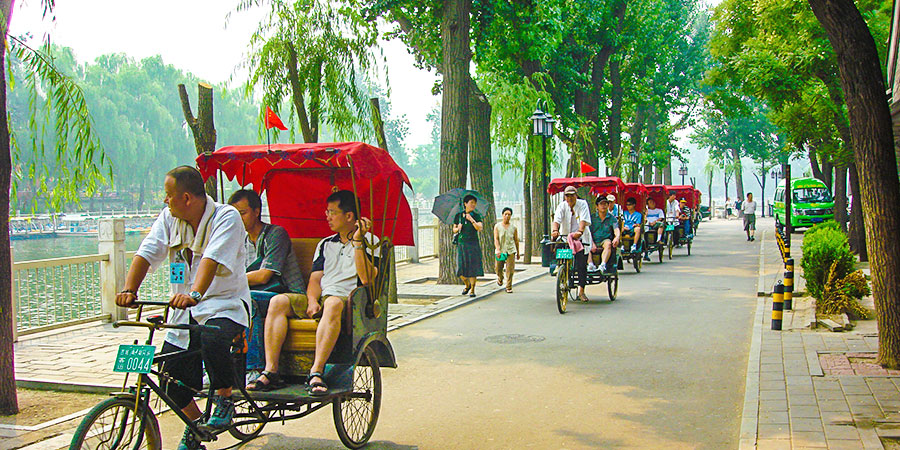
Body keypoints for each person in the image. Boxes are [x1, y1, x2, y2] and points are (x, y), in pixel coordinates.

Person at [115, 166, 250, 450]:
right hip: (183, 311)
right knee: (169, 379)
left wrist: (195, 294)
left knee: (212, 336)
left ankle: (224, 398)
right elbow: (147, 251)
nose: (165, 201)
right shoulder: (169, 218)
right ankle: (196, 426)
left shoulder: (226, 217)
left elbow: (210, 260)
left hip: (224, 306)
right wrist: (129, 289)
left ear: (187, 197)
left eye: (168, 195)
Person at [246, 190, 379, 395]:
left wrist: (358, 242)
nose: (327, 217)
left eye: (332, 212)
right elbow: (316, 279)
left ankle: (316, 371)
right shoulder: (325, 243)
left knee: (334, 303)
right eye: (327, 212)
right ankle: (270, 370)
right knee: (277, 302)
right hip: (322, 296)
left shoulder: (371, 241)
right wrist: (310, 300)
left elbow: (367, 279)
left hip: (348, 300)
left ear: (349, 216)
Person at [227, 189, 305, 383]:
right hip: (258, 296)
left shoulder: (275, 234)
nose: (239, 219)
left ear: (256, 211)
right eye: (234, 214)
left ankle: (254, 368)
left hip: (288, 295)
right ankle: (218, 367)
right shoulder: (240, 241)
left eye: (242, 213)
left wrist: (229, 282)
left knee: (247, 300)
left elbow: (264, 276)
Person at [552, 186, 592, 302]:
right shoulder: (562, 206)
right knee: (558, 247)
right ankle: (560, 266)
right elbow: (556, 220)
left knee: (581, 264)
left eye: (571, 195)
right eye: (567, 196)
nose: (569, 198)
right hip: (566, 237)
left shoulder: (582, 204)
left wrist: (579, 232)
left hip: (580, 237)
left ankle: (581, 291)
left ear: (576, 195)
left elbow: (583, 221)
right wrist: (555, 230)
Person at [454, 195, 485, 297]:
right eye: (471, 203)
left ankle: (472, 289)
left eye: (474, 203)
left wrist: (471, 220)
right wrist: (458, 228)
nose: (473, 205)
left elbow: (479, 228)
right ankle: (466, 284)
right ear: (465, 203)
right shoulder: (458, 216)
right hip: (462, 244)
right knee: (460, 268)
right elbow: (453, 229)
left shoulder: (476, 215)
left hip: (473, 244)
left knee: (472, 268)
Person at [589, 196, 620, 274]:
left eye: (605, 204)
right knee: (584, 245)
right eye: (601, 204)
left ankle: (603, 265)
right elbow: (588, 232)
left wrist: (617, 237)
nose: (603, 206)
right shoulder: (591, 218)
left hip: (605, 240)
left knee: (608, 243)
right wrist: (592, 243)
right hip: (592, 240)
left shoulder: (612, 218)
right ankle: (590, 264)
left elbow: (616, 229)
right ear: (597, 206)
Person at [493, 207, 520, 293]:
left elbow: (516, 240)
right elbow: (496, 239)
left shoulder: (513, 227)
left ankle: (508, 286)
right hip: (501, 250)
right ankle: (500, 278)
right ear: (502, 215)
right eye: (506, 214)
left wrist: (518, 252)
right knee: (498, 268)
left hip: (511, 250)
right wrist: (497, 249)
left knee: (510, 269)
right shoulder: (497, 226)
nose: (507, 216)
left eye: (509, 214)